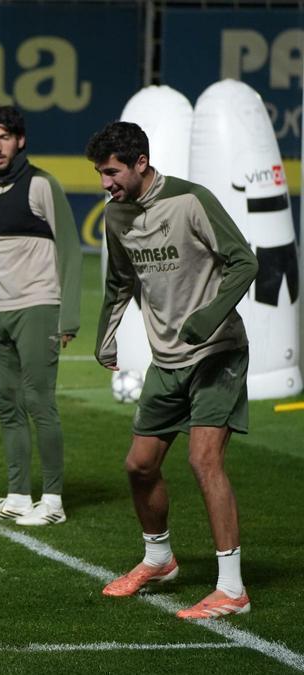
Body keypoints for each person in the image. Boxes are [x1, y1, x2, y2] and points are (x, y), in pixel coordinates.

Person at [87, 121, 257, 619]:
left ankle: (232, 590)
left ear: (141, 162)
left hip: (217, 351)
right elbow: (119, 281)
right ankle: (159, 560)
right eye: (100, 173)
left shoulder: (191, 201)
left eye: (112, 172)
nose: (105, 183)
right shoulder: (116, 215)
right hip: (168, 359)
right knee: (139, 465)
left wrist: (209, 317)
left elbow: (243, 261)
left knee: (204, 461)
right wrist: (105, 335)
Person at [0, 105, 82, 526]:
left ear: (20, 140)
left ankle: (54, 502)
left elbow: (71, 251)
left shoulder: (42, 185)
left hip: (39, 307)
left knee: (39, 403)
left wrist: (69, 316)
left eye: (4, 137)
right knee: (7, 405)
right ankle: (19, 497)